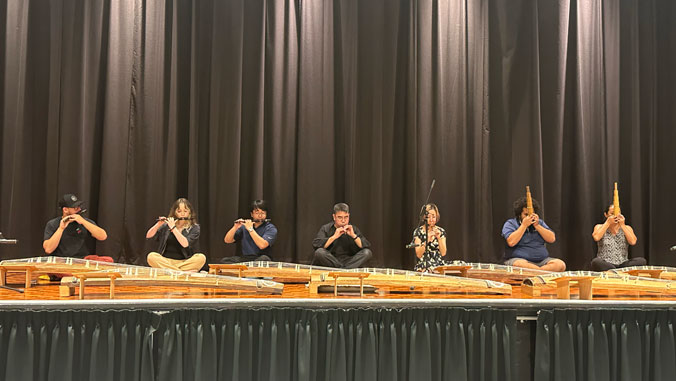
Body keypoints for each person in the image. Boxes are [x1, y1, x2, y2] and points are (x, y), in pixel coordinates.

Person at [501, 196, 566, 271]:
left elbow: (552, 239)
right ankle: (541, 273)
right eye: (526, 215)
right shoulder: (510, 223)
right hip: (520, 260)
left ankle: (537, 272)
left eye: (532, 214)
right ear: (519, 215)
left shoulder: (539, 223)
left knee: (560, 264)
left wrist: (537, 226)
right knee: (519, 265)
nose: (530, 217)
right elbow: (511, 242)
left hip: (542, 261)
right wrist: (524, 225)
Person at [43, 193, 112, 262]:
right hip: (61, 261)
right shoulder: (53, 224)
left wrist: (83, 221)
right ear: (65, 210)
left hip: (82, 261)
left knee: (108, 260)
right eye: (75, 208)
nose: (79, 209)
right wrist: (61, 229)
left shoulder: (85, 222)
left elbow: (103, 236)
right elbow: (48, 249)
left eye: (79, 206)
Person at [146, 198, 206, 272]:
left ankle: (169, 271)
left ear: (189, 213)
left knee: (201, 257)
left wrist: (173, 228)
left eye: (185, 211)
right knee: (151, 256)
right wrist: (158, 224)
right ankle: (181, 272)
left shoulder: (194, 227)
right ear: (174, 213)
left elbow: (185, 244)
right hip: (166, 261)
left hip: (184, 262)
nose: (182, 214)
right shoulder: (167, 225)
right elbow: (148, 236)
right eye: (179, 211)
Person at [312, 203, 372, 268]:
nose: (343, 221)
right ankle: (344, 269)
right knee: (319, 252)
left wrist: (353, 235)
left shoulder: (353, 229)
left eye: (346, 217)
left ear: (349, 216)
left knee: (367, 253)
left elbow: (365, 246)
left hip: (350, 261)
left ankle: (342, 269)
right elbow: (316, 245)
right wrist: (334, 237)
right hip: (331, 260)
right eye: (340, 217)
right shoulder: (326, 228)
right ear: (334, 217)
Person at [591, 205, 645, 271]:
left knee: (641, 261)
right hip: (606, 264)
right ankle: (616, 271)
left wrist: (622, 225)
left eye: (618, 213)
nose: (615, 216)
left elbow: (633, 242)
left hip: (623, 264)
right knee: (596, 262)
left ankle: (616, 272)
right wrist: (608, 222)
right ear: (606, 214)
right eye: (612, 213)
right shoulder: (599, 226)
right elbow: (596, 237)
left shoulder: (627, 228)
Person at [412, 203, 448, 272]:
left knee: (460, 263)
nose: (431, 219)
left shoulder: (441, 231)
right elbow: (419, 254)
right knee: (427, 269)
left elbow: (443, 253)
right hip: (424, 264)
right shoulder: (418, 232)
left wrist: (439, 238)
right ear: (424, 217)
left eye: (433, 217)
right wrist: (427, 240)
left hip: (438, 264)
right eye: (429, 217)